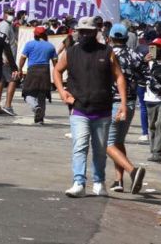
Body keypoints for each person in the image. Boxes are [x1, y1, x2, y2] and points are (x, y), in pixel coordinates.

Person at [53, 16, 128, 198]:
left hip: (102, 109)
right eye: (82, 32)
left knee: (100, 149)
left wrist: (124, 104)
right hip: (79, 108)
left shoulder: (107, 52)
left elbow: (119, 76)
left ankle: (98, 182)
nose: (85, 35)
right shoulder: (71, 52)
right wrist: (62, 92)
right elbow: (57, 70)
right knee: (80, 145)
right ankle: (78, 182)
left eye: (88, 32)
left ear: (96, 32)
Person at [106, 23, 147, 194]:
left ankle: (133, 170)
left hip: (114, 103)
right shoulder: (136, 56)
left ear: (110, 38)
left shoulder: (107, 55)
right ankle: (118, 181)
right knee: (118, 142)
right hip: (130, 102)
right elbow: (145, 78)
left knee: (106, 144)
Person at [18, 26, 58, 124]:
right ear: (45, 34)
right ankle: (40, 119)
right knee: (42, 95)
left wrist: (20, 69)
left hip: (32, 70)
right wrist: (57, 76)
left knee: (27, 93)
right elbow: (56, 63)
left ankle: (36, 107)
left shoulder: (29, 45)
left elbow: (23, 58)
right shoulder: (50, 46)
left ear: (35, 35)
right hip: (45, 71)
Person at [0, 7, 20, 116]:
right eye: (9, 13)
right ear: (4, 14)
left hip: (7, 58)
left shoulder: (8, 25)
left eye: (12, 13)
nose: (12, 15)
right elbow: (1, 41)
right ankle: (8, 105)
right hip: (6, 59)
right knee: (14, 79)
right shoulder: (5, 26)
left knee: (1, 82)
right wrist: (3, 56)